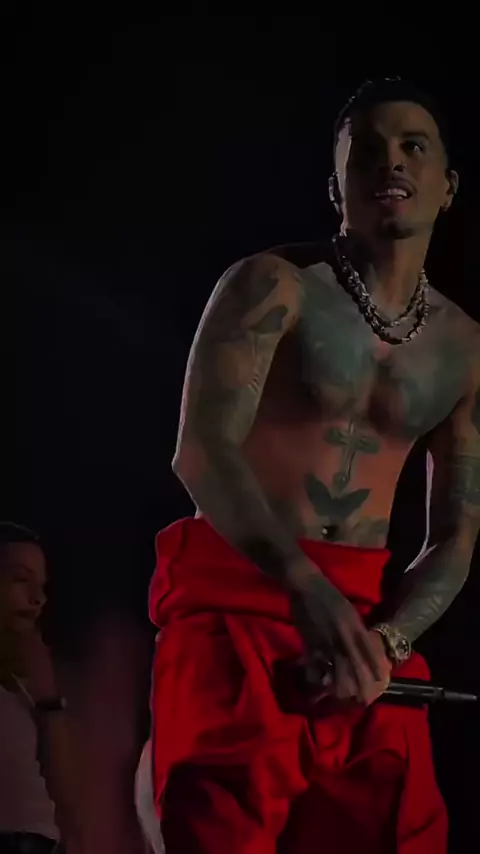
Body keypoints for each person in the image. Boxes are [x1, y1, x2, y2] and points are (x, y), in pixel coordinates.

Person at [147, 78, 480, 853]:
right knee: (222, 822)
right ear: (336, 187)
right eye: (366, 151)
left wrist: (391, 640)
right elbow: (201, 450)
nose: (390, 162)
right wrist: (306, 589)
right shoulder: (273, 286)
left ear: (448, 186)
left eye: (413, 147)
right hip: (242, 603)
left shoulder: (464, 347)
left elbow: (457, 531)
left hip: (364, 635)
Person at [0, 522, 81, 853]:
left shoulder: (25, 688)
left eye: (41, 587)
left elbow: (64, 799)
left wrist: (49, 700)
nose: (37, 599)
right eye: (21, 580)